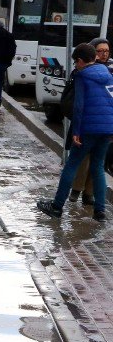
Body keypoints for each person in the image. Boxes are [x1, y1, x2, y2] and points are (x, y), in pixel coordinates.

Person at [37, 42, 113, 222]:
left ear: (80, 61)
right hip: (107, 129)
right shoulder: (107, 74)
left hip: (88, 128)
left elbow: (79, 106)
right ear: (94, 57)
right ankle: (100, 211)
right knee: (98, 167)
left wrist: (76, 132)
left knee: (72, 165)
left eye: (76, 62)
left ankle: (56, 207)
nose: (76, 66)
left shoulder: (82, 76)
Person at [69, 37, 112, 205]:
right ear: (93, 52)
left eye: (107, 51)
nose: (104, 54)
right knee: (83, 159)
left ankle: (89, 194)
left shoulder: (110, 70)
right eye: (100, 51)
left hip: (105, 124)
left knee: (99, 162)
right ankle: (76, 190)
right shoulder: (82, 70)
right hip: (86, 122)